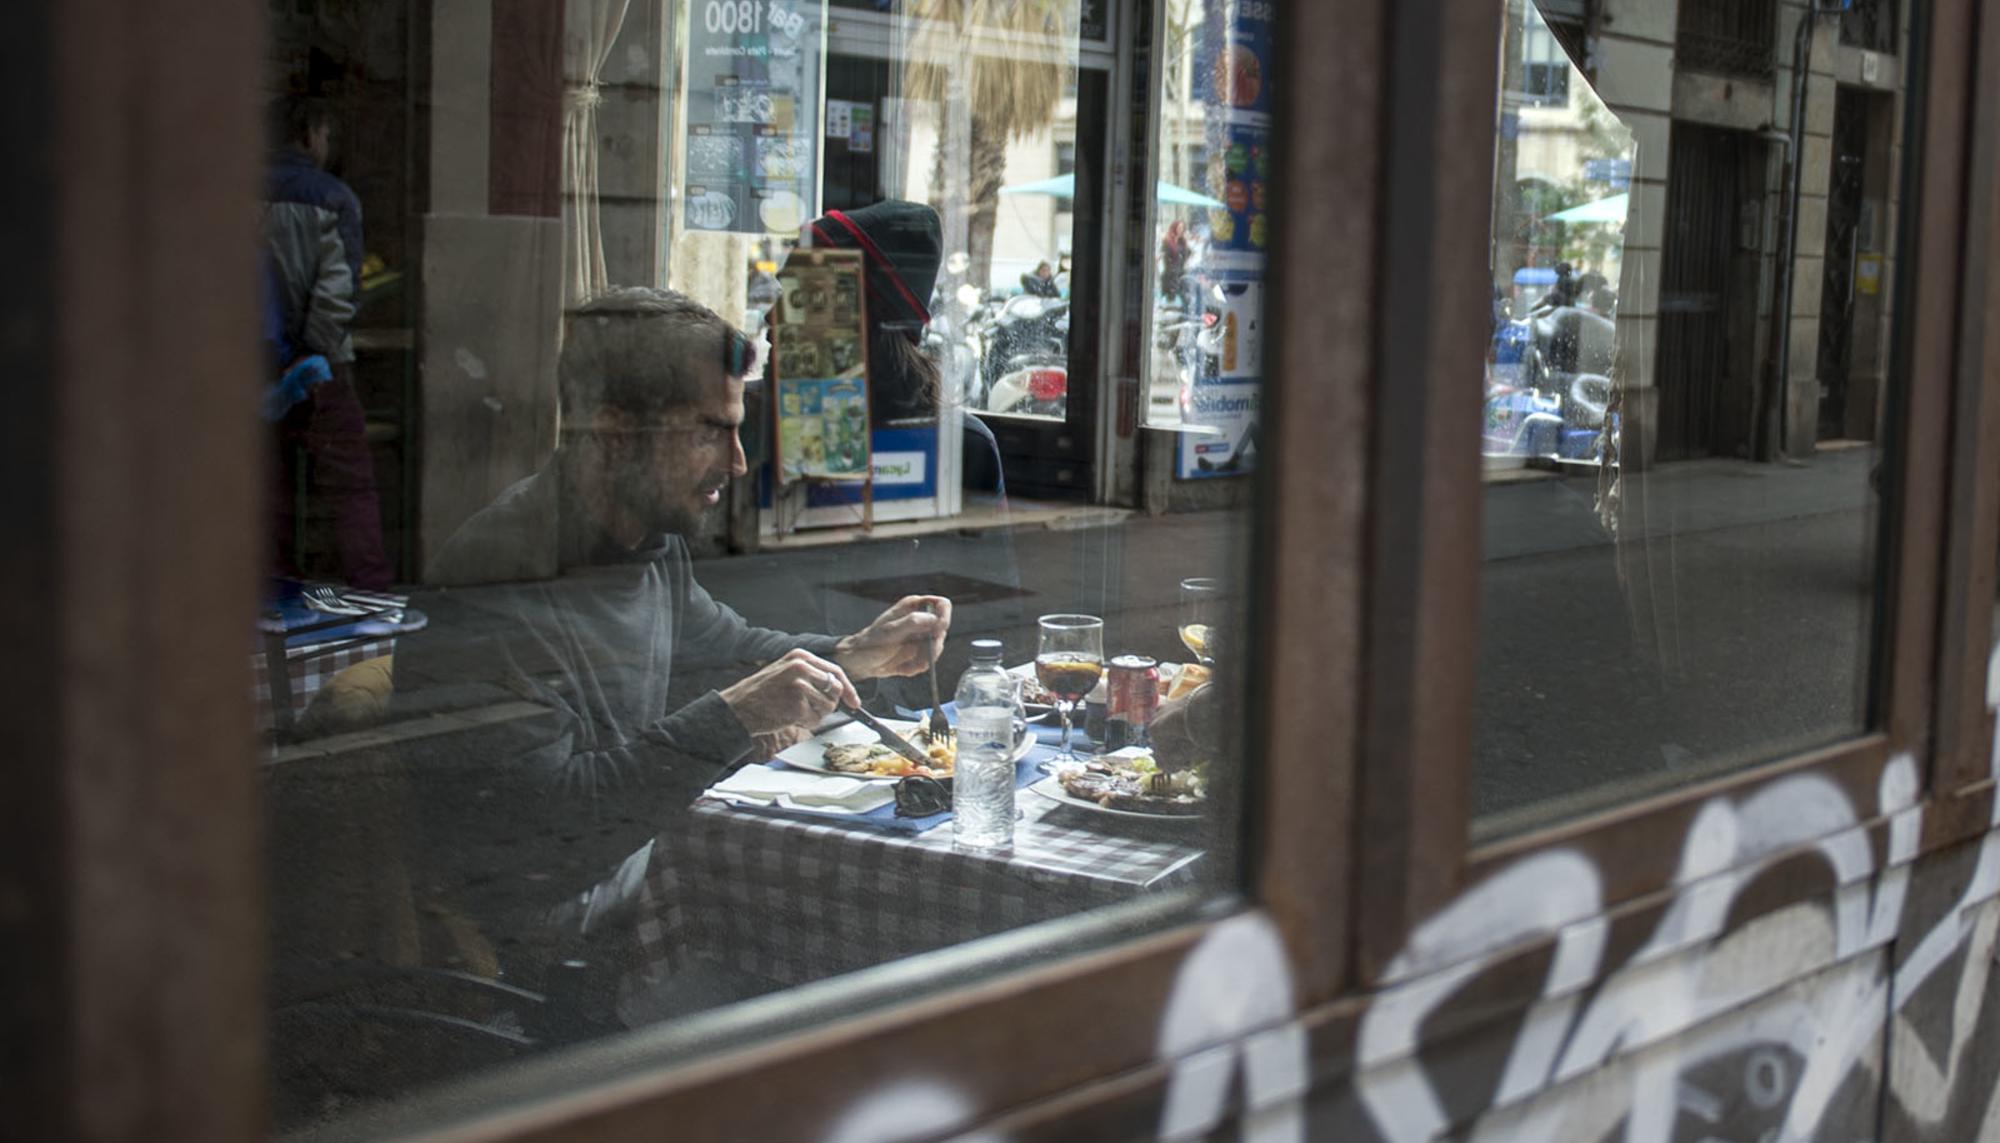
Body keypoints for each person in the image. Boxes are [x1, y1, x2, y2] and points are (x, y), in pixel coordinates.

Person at [264, 95, 394, 590]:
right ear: (309, 132)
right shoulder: (332, 197)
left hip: (257, 366)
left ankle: (276, 588)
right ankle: (369, 589)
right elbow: (337, 292)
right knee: (351, 483)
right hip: (321, 369)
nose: (327, 145)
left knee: (268, 483)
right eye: (326, 135)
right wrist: (313, 357)